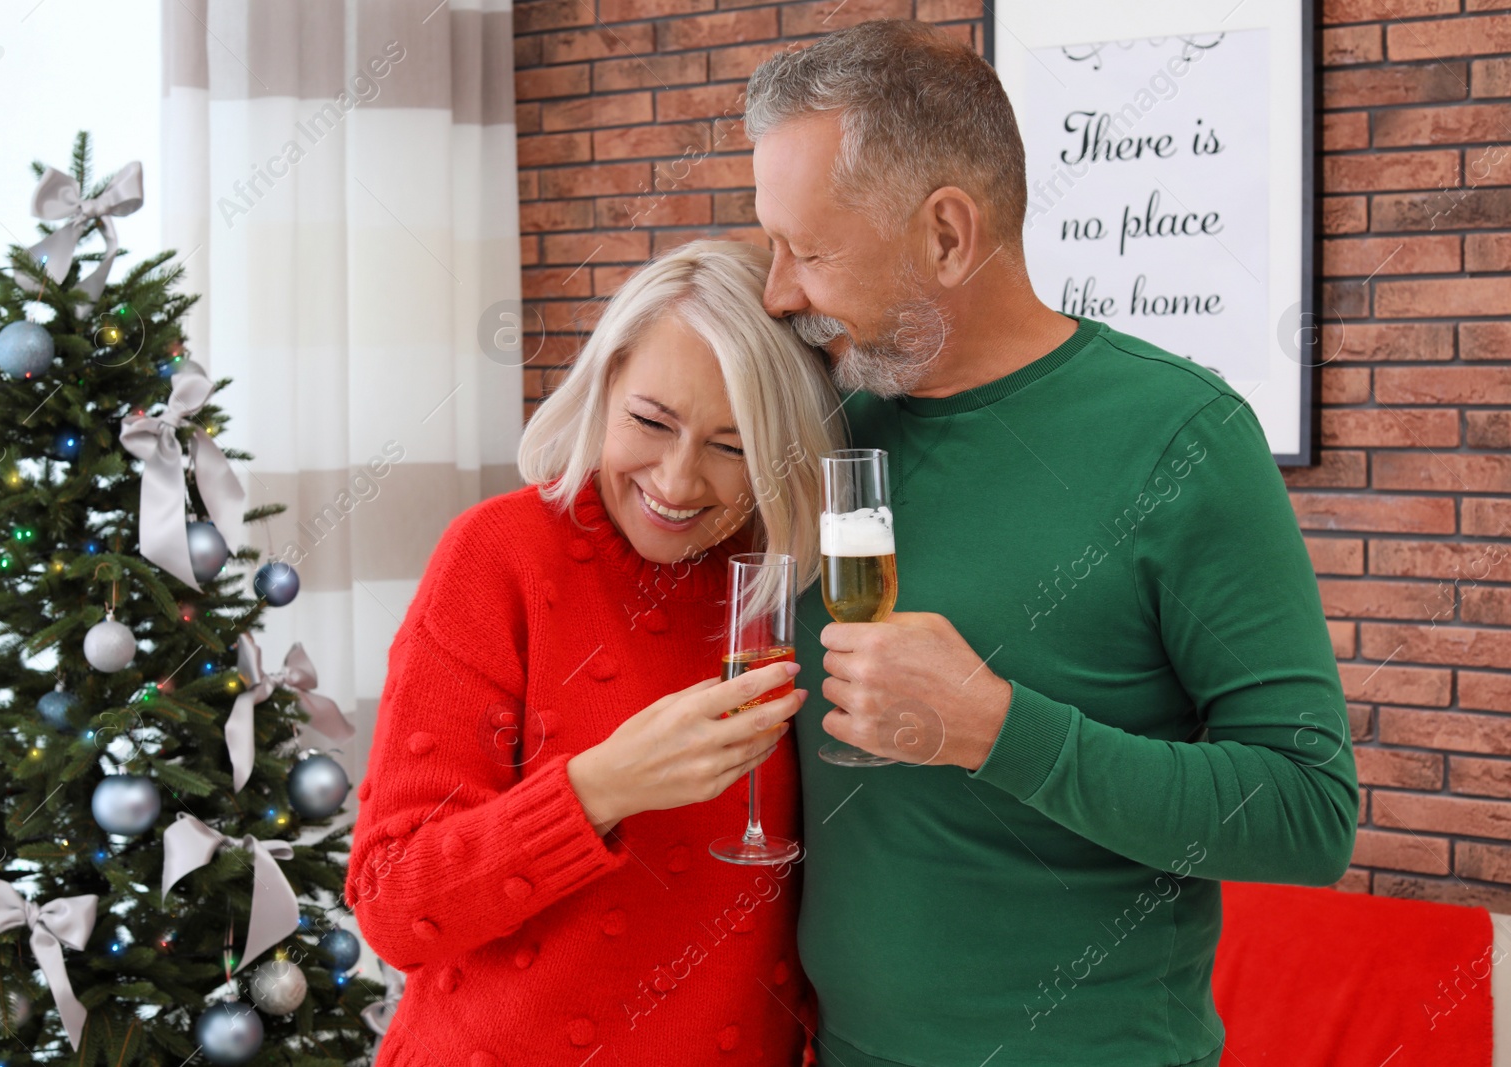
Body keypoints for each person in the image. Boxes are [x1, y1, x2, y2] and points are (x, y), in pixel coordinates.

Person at [742, 19, 1358, 1067]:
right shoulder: (824, 425)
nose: (778, 292)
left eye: (808, 250)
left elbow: (1306, 813)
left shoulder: (1181, 437)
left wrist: (992, 725)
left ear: (946, 234)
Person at [345, 238, 844, 1065]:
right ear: (604, 385)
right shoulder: (497, 554)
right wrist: (600, 787)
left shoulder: (781, 581)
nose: (679, 482)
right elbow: (393, 905)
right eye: (652, 422)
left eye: (731, 446)